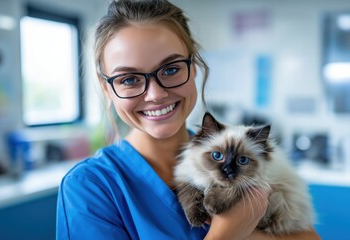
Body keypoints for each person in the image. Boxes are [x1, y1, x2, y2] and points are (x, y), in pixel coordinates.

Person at [56, 0, 321, 239]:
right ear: (106, 88)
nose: (156, 94)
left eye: (170, 69)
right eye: (129, 79)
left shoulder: (240, 156)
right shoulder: (89, 188)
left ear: (193, 66)